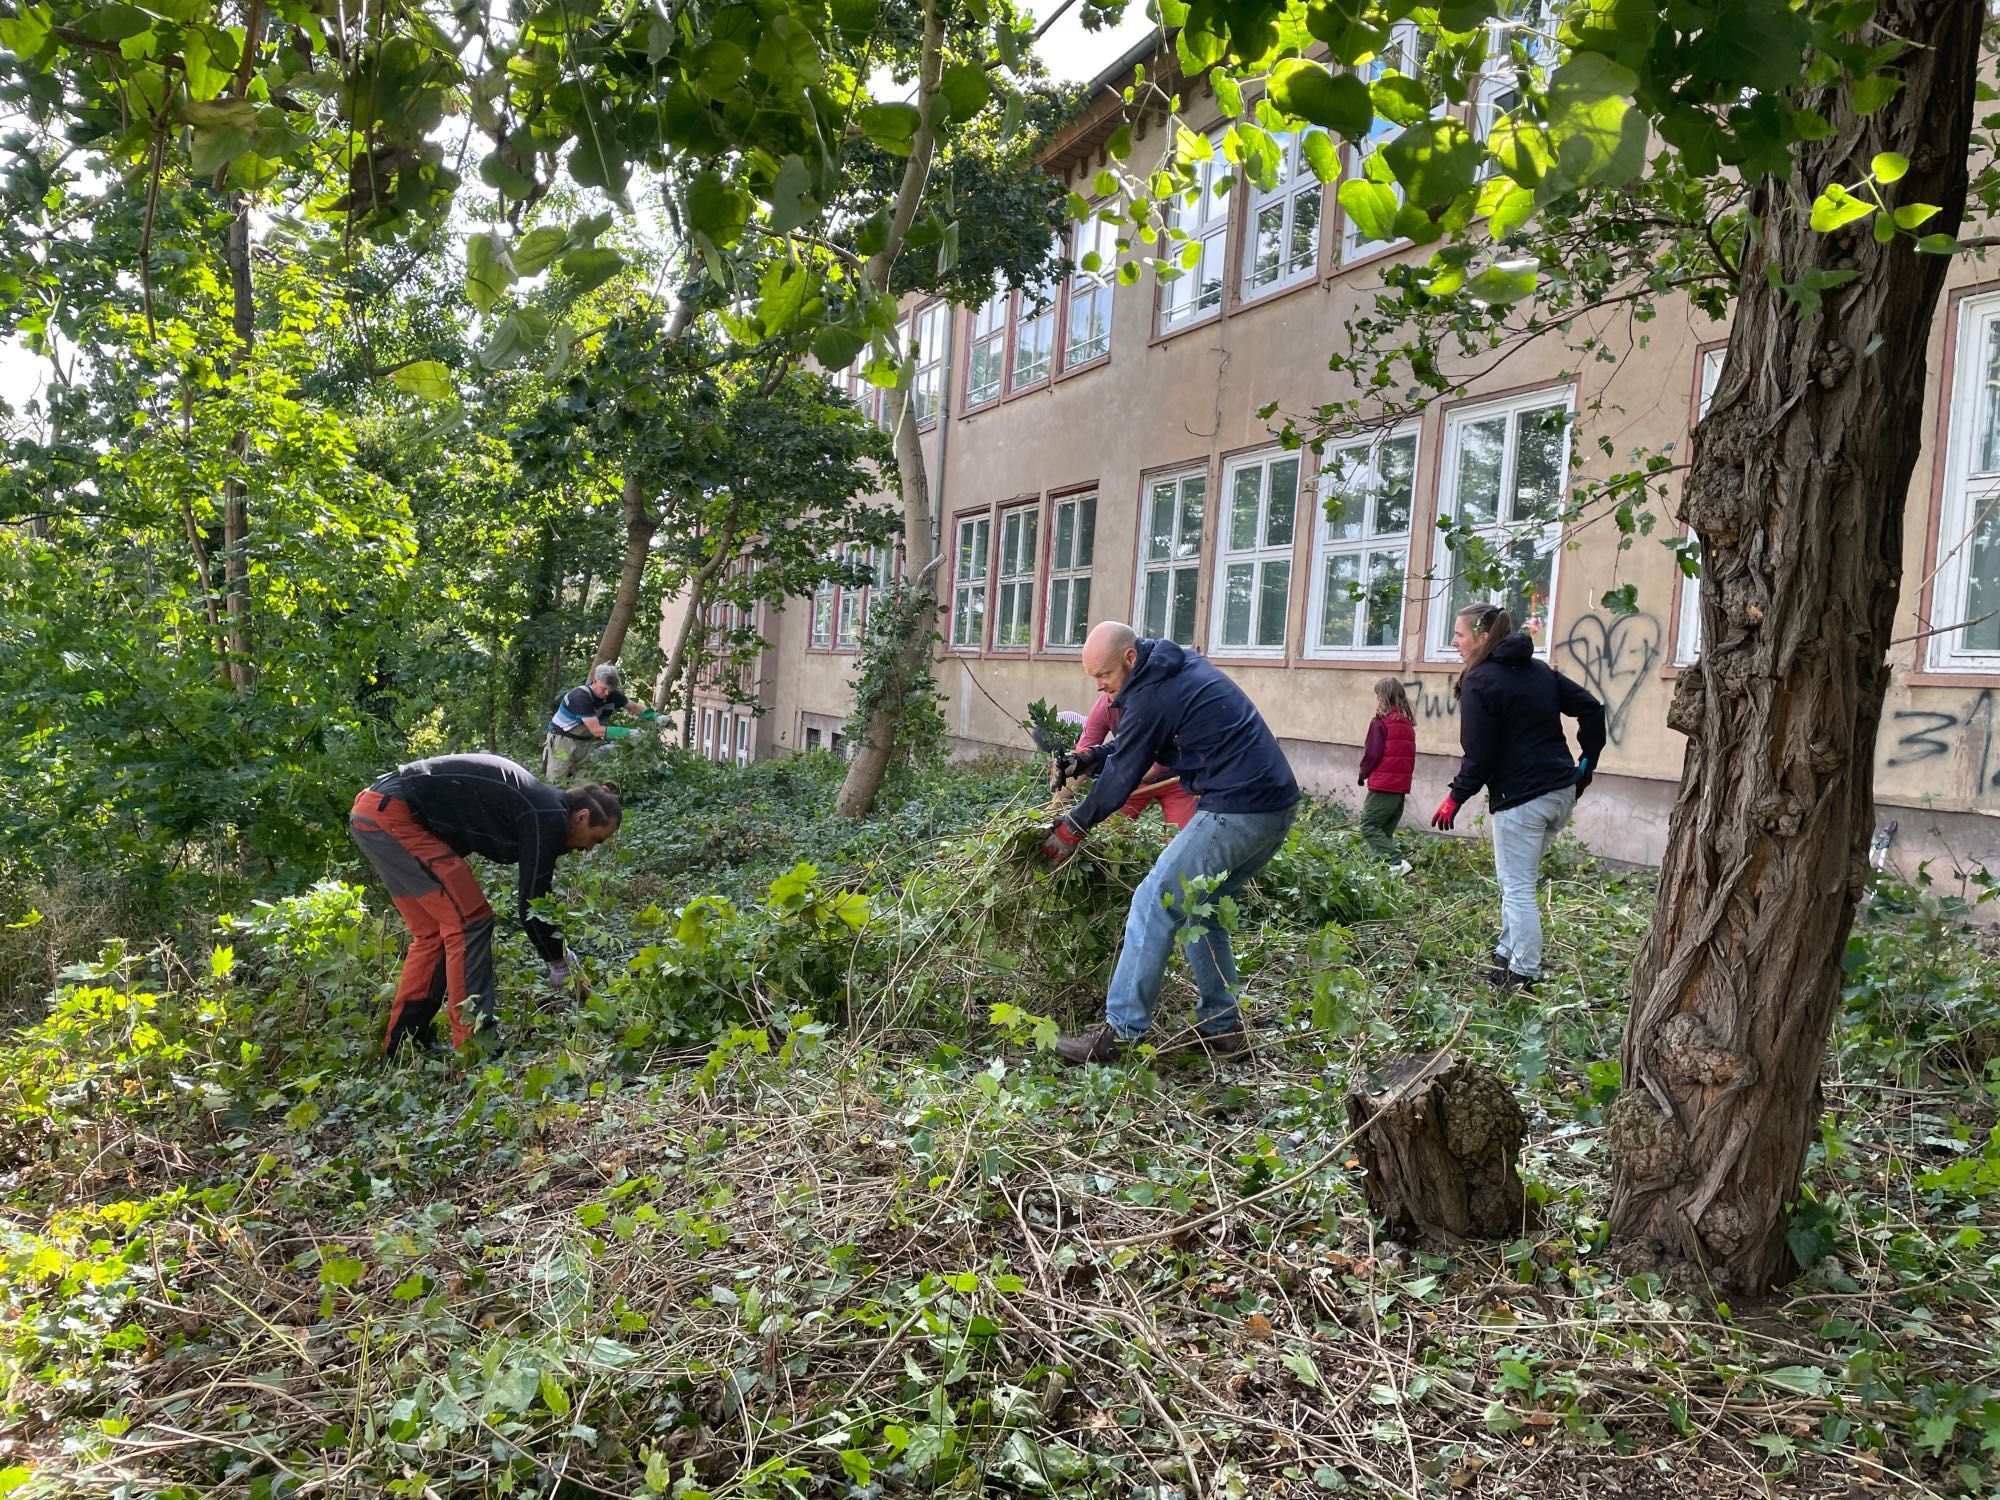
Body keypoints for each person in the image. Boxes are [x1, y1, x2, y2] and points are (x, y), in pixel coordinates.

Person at [1044, 622, 1300, 1064]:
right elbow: (1135, 746)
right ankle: (1223, 1030)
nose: (1101, 689)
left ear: (1128, 658)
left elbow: (1124, 776)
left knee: (1154, 899)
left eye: (1103, 676)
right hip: (1273, 806)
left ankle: (1119, 1035)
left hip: (1239, 808)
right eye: (1093, 680)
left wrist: (1071, 828)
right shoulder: (1166, 673)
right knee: (1200, 907)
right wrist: (1086, 757)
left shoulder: (1154, 691)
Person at [349, 753, 621, 1055]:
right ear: (581, 816)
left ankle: (403, 1046)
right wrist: (558, 961)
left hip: (376, 812)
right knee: (470, 920)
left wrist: (558, 955)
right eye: (595, 839)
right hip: (394, 815)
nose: (587, 849)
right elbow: (534, 900)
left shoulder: (544, 807)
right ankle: (476, 1045)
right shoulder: (547, 814)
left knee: (433, 933)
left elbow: (535, 896)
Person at [1429, 605, 1605, 992]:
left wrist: (1455, 798)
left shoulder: (1481, 681)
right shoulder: (1538, 670)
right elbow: (1591, 708)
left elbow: (1479, 755)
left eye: (1458, 634)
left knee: (1518, 887)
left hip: (1523, 798)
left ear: (1480, 636)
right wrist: (1586, 764)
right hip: (1559, 792)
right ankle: (1506, 953)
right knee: (1515, 881)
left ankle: (1523, 973)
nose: (1453, 642)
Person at [1053, 684, 1198, 833]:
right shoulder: (1105, 707)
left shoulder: (1156, 702)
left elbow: (1155, 766)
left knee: (1181, 840)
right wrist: (1054, 806)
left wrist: (1114, 782)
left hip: (1176, 780)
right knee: (1109, 835)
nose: (1101, 685)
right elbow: (1082, 758)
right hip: (1133, 780)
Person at [543, 663, 655, 783]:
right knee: (557, 782)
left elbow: (633, 707)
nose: (607, 693)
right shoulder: (580, 697)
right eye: (604, 688)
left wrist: (654, 716)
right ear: (595, 681)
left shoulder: (611, 695)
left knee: (583, 784)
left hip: (585, 743)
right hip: (562, 742)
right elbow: (596, 730)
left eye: (610, 689)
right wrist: (627, 733)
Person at [1356, 676, 1416, 874]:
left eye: (1377, 695)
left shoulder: (1380, 722)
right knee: (1384, 833)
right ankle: (1384, 874)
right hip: (1399, 788)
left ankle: (1397, 863)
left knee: (1369, 825)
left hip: (1383, 785)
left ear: (1382, 697)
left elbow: (1372, 753)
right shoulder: (1406, 723)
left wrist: (1363, 773)